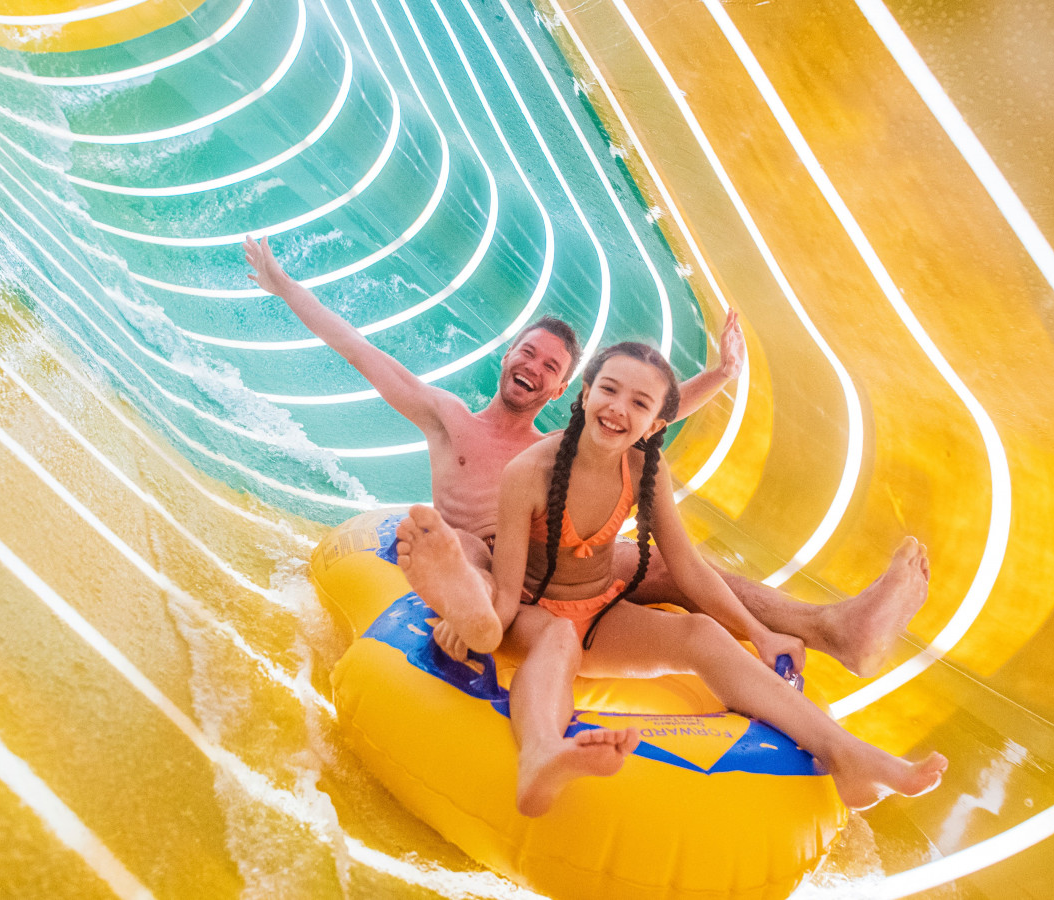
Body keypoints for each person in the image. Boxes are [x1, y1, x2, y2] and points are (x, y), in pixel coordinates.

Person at [244, 236, 929, 674]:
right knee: (473, 555)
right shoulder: (447, 420)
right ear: (508, 355)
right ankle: (473, 610)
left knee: (661, 562)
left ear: (563, 389)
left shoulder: (559, 448)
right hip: (479, 554)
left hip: (554, 560)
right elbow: (361, 351)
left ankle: (838, 630)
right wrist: (284, 286)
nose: (534, 369)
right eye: (529, 355)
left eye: (551, 368)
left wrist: (719, 377)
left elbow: (648, 415)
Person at [451, 341, 947, 814]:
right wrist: (475, 624)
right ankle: (541, 755)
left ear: (656, 422)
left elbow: (687, 567)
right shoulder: (529, 471)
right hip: (533, 616)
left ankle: (847, 756)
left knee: (701, 633)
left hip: (598, 613)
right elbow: (509, 593)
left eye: (639, 401)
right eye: (609, 389)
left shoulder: (645, 465)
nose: (618, 408)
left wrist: (759, 631)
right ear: (584, 394)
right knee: (558, 636)